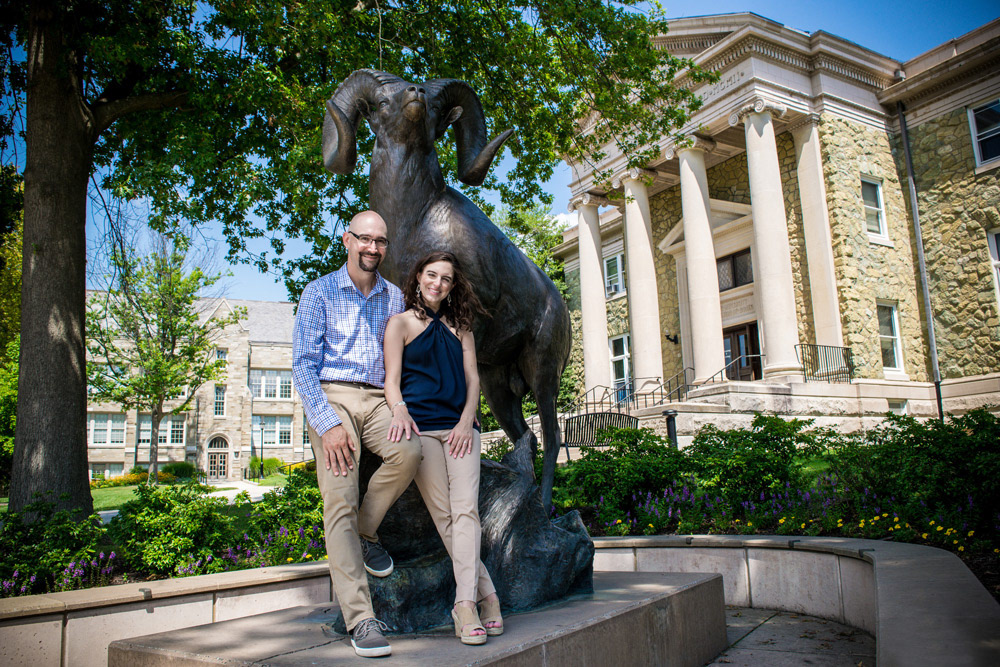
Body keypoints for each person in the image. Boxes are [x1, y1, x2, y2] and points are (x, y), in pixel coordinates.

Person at [292, 210, 421, 658]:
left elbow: (408, 357)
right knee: (340, 495)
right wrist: (327, 424)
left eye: (380, 241)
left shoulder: (395, 297)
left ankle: (366, 533)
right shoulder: (319, 292)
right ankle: (361, 617)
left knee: (410, 452)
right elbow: (303, 366)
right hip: (333, 396)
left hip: (380, 399)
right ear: (347, 240)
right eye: (364, 239)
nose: (372, 248)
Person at [382, 251, 504, 645]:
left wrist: (468, 418)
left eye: (445, 278)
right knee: (445, 518)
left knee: (466, 510)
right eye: (430, 275)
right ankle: (488, 595)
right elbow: (391, 381)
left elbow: (473, 380)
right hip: (420, 430)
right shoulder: (399, 324)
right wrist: (399, 411)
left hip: (460, 430)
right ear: (418, 278)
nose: (437, 283)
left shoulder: (461, 328)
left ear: (453, 286)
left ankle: (463, 604)